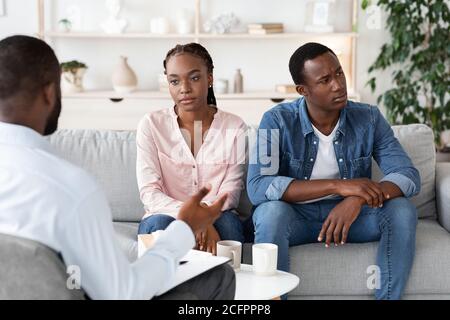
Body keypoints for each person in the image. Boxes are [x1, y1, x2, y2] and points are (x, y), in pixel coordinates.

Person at [0, 35, 235, 300]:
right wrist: (184, 228)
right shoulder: (72, 188)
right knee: (218, 277)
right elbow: (124, 293)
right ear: (49, 92)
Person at [246, 42, 420, 300]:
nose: (338, 85)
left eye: (339, 73)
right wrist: (338, 185)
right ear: (303, 90)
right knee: (270, 212)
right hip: (298, 219)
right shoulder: (277, 120)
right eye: (325, 80)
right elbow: (258, 186)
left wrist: (356, 198)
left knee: (402, 209)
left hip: (352, 218)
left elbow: (407, 175)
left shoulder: (369, 118)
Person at [136, 43, 248, 254]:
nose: (184, 88)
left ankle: (225, 286)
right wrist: (193, 219)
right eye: (174, 81)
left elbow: (230, 192)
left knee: (228, 225)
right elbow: (150, 193)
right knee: (159, 225)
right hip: (165, 215)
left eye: (194, 78)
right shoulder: (151, 125)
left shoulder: (235, 126)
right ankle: (166, 286)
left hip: (217, 215)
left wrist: (205, 216)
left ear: (210, 78)